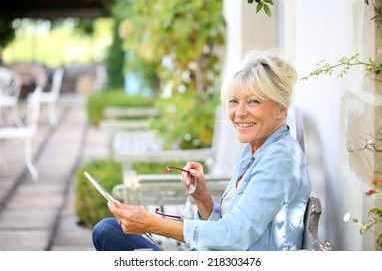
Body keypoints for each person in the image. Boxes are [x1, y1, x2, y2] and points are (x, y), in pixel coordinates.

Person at [91, 50, 311, 251]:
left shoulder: (279, 160)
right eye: (234, 101)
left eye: (253, 102)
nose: (239, 112)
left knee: (107, 233)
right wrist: (203, 198)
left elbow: (233, 238)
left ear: (282, 108)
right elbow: (228, 230)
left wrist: (153, 224)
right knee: (109, 231)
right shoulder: (252, 152)